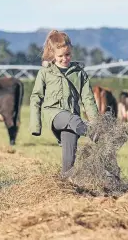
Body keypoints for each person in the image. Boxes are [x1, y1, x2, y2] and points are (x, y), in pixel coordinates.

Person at [30, 30, 100, 176]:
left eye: (67, 54)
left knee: (69, 159)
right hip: (53, 114)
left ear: (71, 52)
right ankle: (96, 135)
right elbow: (36, 97)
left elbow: (88, 98)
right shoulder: (45, 72)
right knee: (73, 120)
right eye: (60, 56)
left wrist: (96, 121)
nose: (64, 59)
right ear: (52, 55)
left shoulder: (79, 73)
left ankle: (66, 182)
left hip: (73, 119)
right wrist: (36, 125)